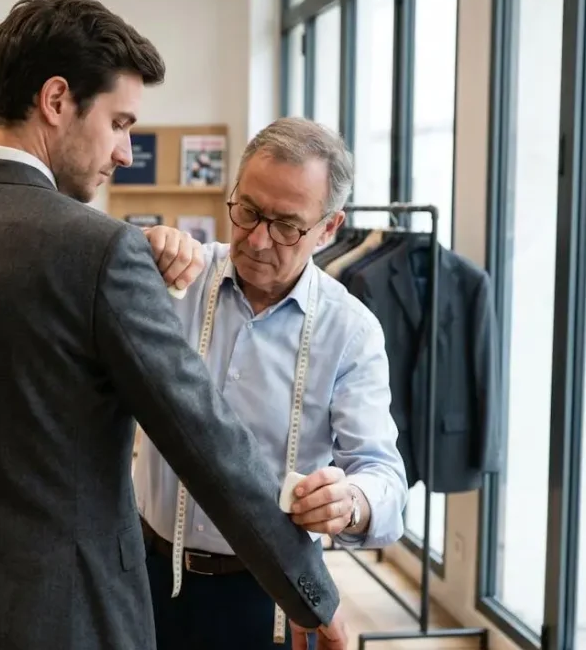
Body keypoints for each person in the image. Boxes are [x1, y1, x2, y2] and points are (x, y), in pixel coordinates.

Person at [0, 0, 349, 650]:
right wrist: (313, 597)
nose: (126, 152)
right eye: (119, 123)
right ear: (56, 100)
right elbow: (207, 444)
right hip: (66, 621)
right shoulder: (100, 253)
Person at [134, 117, 408, 649]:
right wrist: (136, 252)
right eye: (248, 211)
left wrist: (350, 501)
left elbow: (384, 477)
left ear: (329, 228)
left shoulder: (350, 332)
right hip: (147, 574)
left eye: (286, 226)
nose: (257, 240)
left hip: (270, 595)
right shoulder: (176, 282)